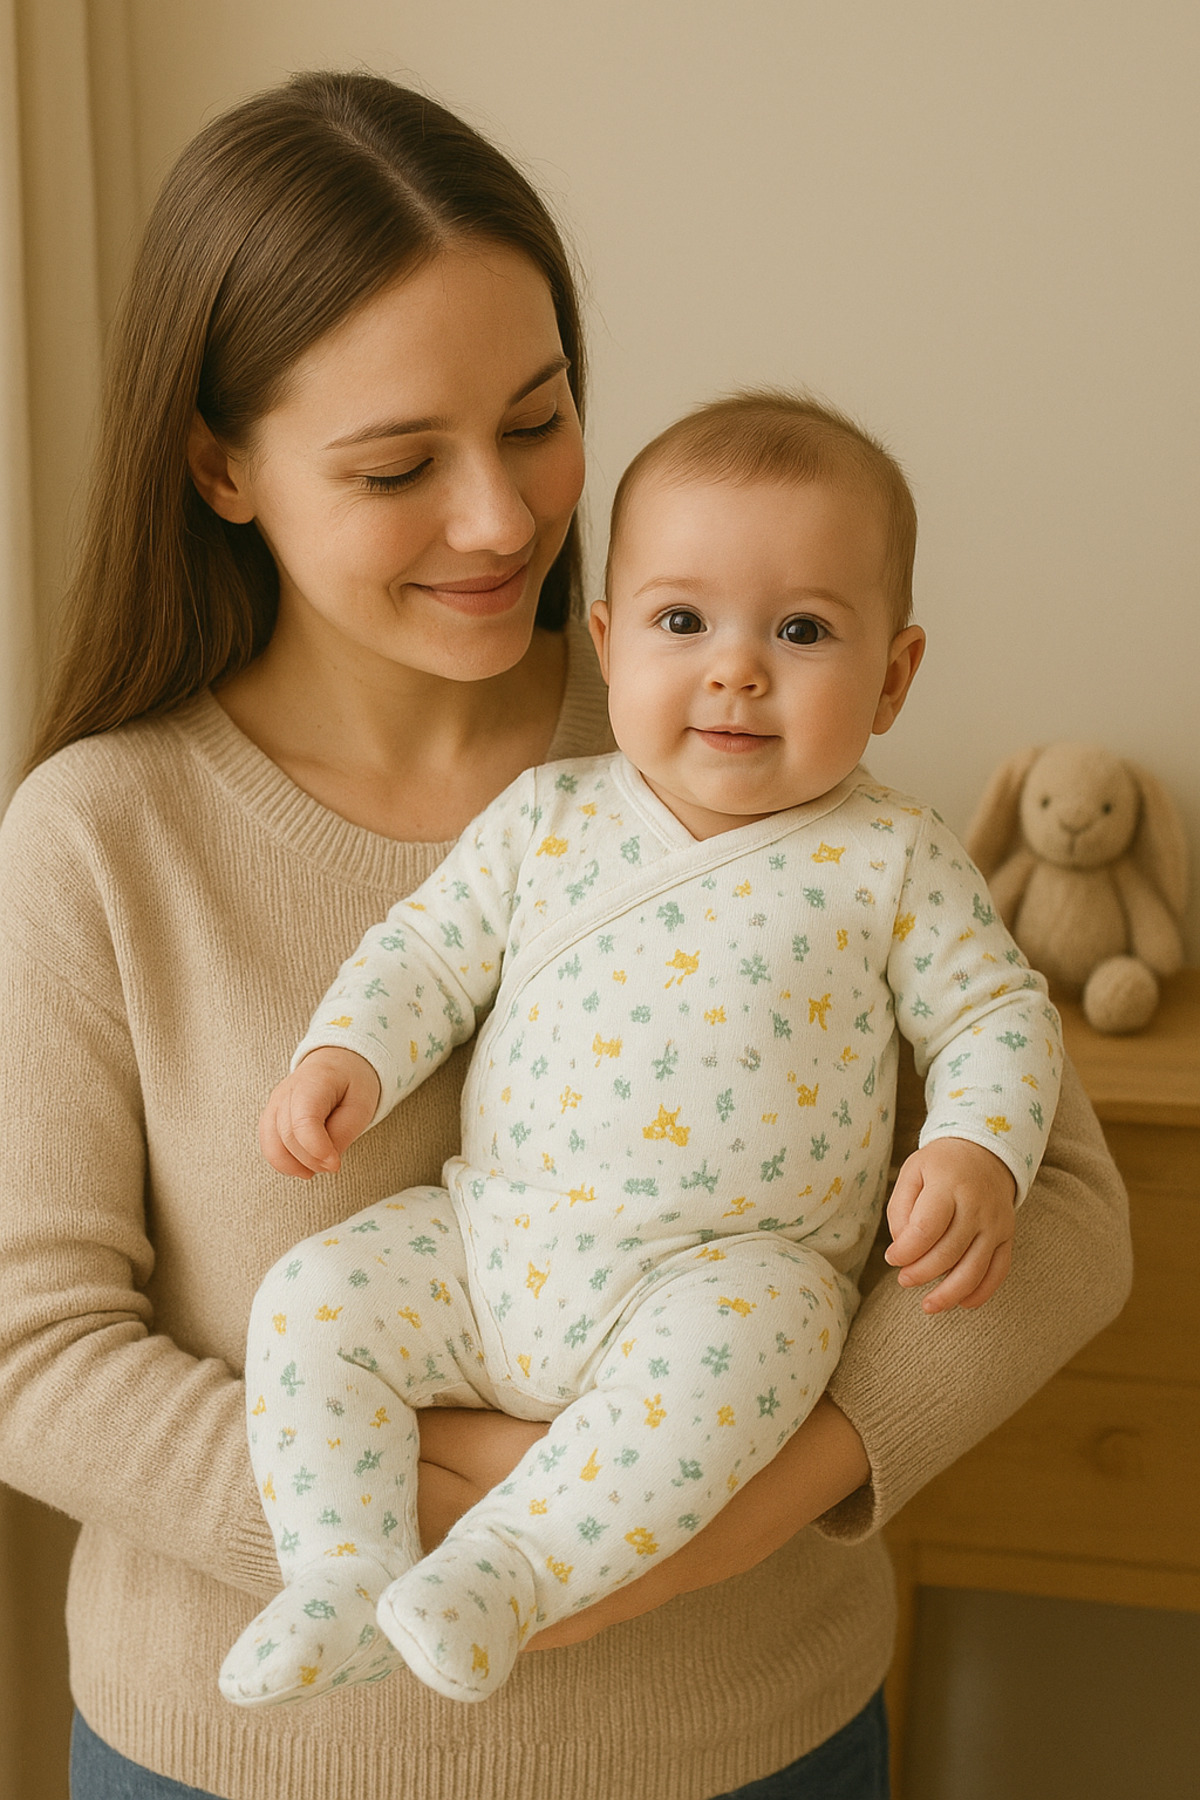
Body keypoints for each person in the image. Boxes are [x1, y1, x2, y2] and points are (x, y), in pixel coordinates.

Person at [0, 70, 1129, 1800]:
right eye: (398, 466)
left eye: (538, 421)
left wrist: (752, 1491)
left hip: (733, 1736)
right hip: (235, 1760)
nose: (504, 521)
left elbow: (1059, 1212)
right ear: (220, 466)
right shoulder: (103, 835)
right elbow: (35, 1351)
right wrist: (393, 1513)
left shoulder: (740, 748)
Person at [220, 391, 1063, 1710]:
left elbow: (996, 1014)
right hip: (491, 1249)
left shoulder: (890, 855)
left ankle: (505, 1567)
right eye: (684, 622)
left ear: (894, 676)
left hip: (722, 1280)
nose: (736, 669)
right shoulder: (546, 817)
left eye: (801, 630)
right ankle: (336, 1568)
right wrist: (351, 1057)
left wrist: (975, 1146)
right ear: (609, 643)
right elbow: (425, 954)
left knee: (757, 1353)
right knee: (313, 1301)